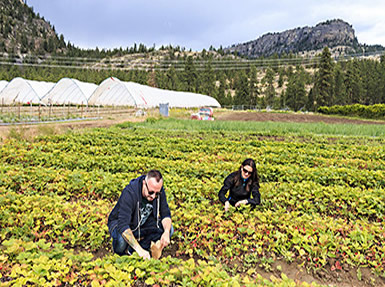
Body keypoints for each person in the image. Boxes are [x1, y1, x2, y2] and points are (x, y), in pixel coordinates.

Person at [107, 170, 173, 259]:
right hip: (122, 224)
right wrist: (139, 249)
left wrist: (166, 232)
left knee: (170, 229)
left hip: (143, 223)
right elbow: (123, 225)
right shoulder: (129, 193)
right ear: (144, 183)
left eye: (157, 193)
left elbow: (166, 214)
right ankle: (134, 249)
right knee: (121, 243)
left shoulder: (157, 191)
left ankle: (136, 248)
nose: (153, 196)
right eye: (150, 192)